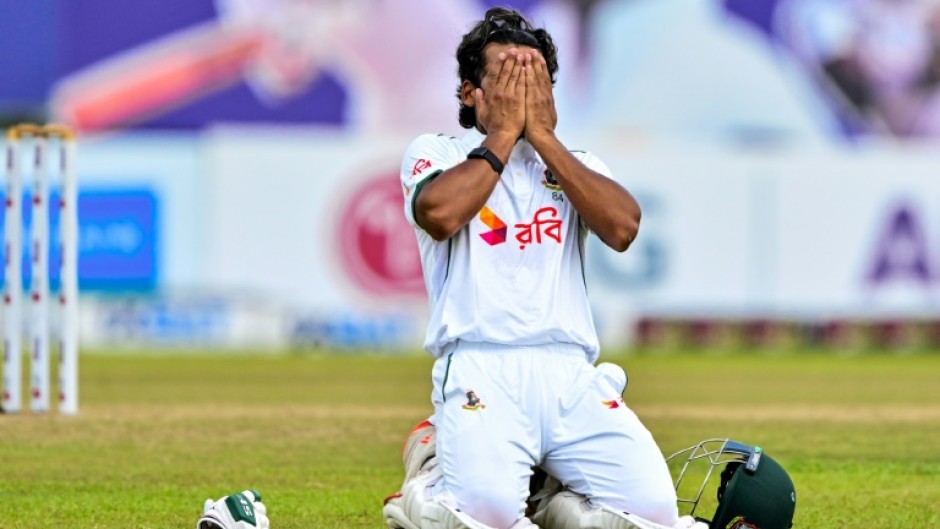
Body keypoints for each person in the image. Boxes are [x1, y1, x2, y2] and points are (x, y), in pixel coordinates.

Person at [385, 7, 695, 529]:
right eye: (505, 77)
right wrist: (504, 134)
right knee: (482, 519)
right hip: (481, 365)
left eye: (531, 81)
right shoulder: (437, 151)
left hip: (569, 372)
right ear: (469, 93)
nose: (518, 94)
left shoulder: (576, 164)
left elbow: (622, 229)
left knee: (654, 516)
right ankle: (431, 476)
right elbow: (439, 216)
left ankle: (554, 503)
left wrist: (544, 139)